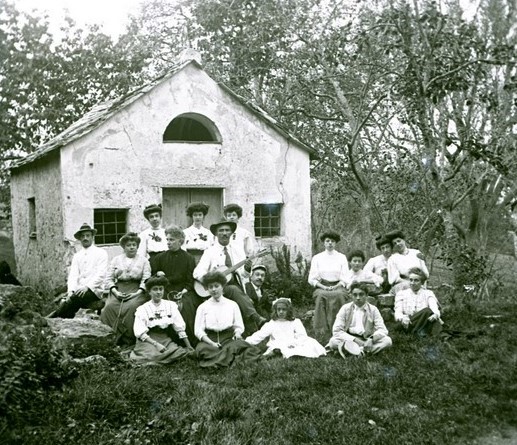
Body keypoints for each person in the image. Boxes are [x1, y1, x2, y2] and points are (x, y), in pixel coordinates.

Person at [193, 219, 266, 333]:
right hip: (217, 288)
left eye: (227, 230)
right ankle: (256, 318)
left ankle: (251, 332)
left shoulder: (238, 250)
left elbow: (244, 275)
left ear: (231, 233)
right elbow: (197, 272)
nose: (224, 233)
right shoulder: (210, 251)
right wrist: (209, 281)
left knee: (241, 293)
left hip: (238, 285)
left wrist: (247, 268)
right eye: (221, 230)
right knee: (233, 290)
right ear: (216, 234)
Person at [194, 271, 262, 368]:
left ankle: (221, 359)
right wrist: (211, 343)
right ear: (207, 289)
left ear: (222, 286)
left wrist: (237, 334)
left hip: (228, 339)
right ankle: (229, 359)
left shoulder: (232, 305)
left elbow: (238, 326)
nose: (214, 289)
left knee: (243, 347)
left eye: (216, 286)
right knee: (202, 349)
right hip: (210, 340)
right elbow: (198, 331)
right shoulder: (202, 307)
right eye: (210, 287)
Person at [100, 232, 151, 345]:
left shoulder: (144, 261)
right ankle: (111, 338)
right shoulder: (116, 260)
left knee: (132, 306)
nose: (132, 247)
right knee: (109, 307)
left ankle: (128, 339)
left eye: (134, 245)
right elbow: (109, 278)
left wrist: (137, 293)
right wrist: (115, 292)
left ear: (137, 246)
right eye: (128, 245)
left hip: (136, 290)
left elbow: (146, 279)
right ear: (124, 247)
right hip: (118, 289)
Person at [149, 225, 198, 344]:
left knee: (185, 307)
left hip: (183, 290)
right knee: (162, 305)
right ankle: (165, 339)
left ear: (180, 241)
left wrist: (183, 291)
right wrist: (158, 275)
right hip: (164, 289)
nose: (168, 242)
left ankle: (186, 341)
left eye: (172, 240)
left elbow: (190, 280)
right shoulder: (160, 257)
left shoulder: (189, 258)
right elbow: (152, 277)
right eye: (167, 239)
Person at [130, 275, 194, 364]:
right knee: (152, 356)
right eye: (155, 289)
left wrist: (189, 346)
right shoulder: (142, 309)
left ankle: (163, 357)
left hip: (164, 338)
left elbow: (179, 327)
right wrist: (156, 344)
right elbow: (140, 332)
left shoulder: (170, 305)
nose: (158, 292)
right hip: (148, 340)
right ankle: (155, 357)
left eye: (161, 289)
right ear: (149, 292)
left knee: (179, 352)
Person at [50, 223, 108, 318]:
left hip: (94, 290)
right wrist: (71, 291)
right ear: (80, 239)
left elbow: (101, 274)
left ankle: (54, 316)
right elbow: (73, 275)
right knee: (72, 301)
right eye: (83, 236)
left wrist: (87, 287)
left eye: (88, 235)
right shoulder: (77, 256)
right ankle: (63, 320)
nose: (85, 238)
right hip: (78, 290)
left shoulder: (101, 253)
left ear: (92, 237)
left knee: (72, 300)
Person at [245, 297, 326, 359]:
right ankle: (277, 353)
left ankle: (292, 354)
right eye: (279, 309)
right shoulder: (272, 323)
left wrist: (294, 343)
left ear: (288, 310)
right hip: (278, 343)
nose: (281, 312)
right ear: (275, 310)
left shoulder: (295, 322)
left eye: (284, 310)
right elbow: (259, 335)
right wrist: (246, 342)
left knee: (310, 343)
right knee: (280, 348)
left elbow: (302, 336)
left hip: (294, 343)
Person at [327, 282, 392, 355]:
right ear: (351, 296)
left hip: (367, 339)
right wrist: (356, 340)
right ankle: (364, 352)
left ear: (366, 295)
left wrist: (371, 339)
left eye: (361, 294)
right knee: (333, 342)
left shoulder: (373, 309)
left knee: (387, 341)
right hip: (350, 339)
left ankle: (352, 351)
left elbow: (382, 330)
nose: (358, 298)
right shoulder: (345, 308)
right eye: (355, 295)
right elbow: (337, 330)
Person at [308, 230, 349, 340]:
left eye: (332, 241)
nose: (330, 243)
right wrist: (324, 287)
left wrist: (336, 286)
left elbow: (345, 277)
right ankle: (321, 330)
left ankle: (339, 328)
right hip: (322, 286)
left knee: (339, 295)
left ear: (336, 243)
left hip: (338, 286)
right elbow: (312, 278)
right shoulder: (317, 258)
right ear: (324, 243)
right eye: (327, 241)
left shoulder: (342, 257)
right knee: (321, 296)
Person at [394, 267, 443, 336]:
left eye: (416, 280)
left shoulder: (428, 293)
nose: (412, 283)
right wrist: (403, 318)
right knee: (427, 311)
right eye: (411, 280)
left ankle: (417, 332)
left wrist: (435, 314)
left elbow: (434, 307)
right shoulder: (401, 294)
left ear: (422, 282)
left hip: (424, 321)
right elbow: (398, 312)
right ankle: (421, 332)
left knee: (428, 312)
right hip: (408, 323)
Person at [386, 229, 429, 294]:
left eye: (399, 241)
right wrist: (411, 283)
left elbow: (425, 273)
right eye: (395, 243)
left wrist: (419, 283)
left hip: (419, 284)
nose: (397, 244)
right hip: (402, 285)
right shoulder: (392, 259)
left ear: (404, 240)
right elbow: (394, 279)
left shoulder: (416, 253)